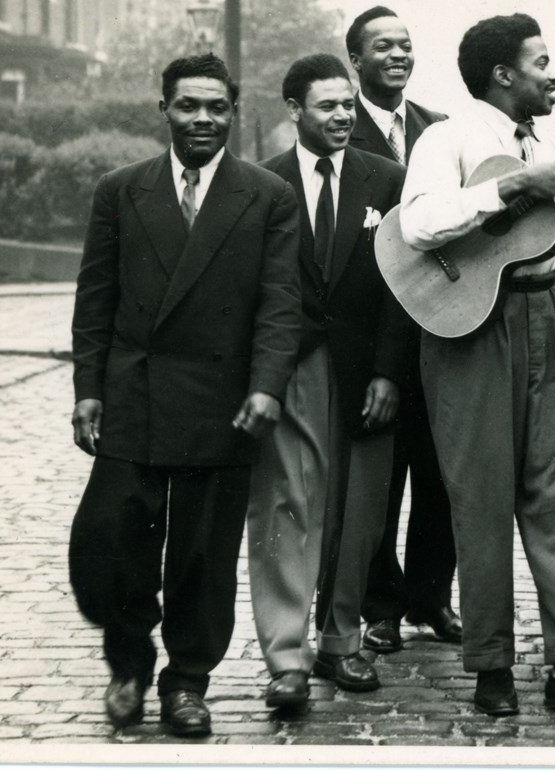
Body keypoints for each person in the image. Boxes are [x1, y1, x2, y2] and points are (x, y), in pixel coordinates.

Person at [398, 13, 555, 716]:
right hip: (472, 322)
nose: (553, 74)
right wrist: (511, 188)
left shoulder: (553, 144)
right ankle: (491, 665)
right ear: (503, 74)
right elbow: (416, 224)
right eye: (542, 62)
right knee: (479, 499)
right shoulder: (448, 138)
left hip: (554, 316)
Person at [68, 53, 300, 737]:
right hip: (134, 392)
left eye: (215, 107)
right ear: (163, 109)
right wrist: (88, 390)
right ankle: (128, 666)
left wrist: (266, 387)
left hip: (221, 398)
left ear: (233, 111)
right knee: (114, 541)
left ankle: (187, 683)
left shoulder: (265, 196)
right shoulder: (121, 189)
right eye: (188, 105)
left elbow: (279, 304)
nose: (202, 118)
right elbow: (95, 300)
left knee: (203, 549)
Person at [247, 53, 412, 711]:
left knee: (363, 509)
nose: (344, 115)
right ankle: (286, 657)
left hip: (369, 369)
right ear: (294, 109)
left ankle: (341, 640)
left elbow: (407, 284)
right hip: (292, 370)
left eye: (348, 104)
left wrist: (389, 372)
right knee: (288, 505)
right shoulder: (262, 184)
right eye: (327, 106)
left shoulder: (388, 180)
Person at [342, 3, 461, 657]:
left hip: (441, 323)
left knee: (441, 469)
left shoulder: (439, 130)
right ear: (356, 59)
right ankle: (379, 605)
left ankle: (431, 596)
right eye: (382, 46)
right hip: (368, 330)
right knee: (381, 477)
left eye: (406, 44)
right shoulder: (337, 125)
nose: (397, 54)